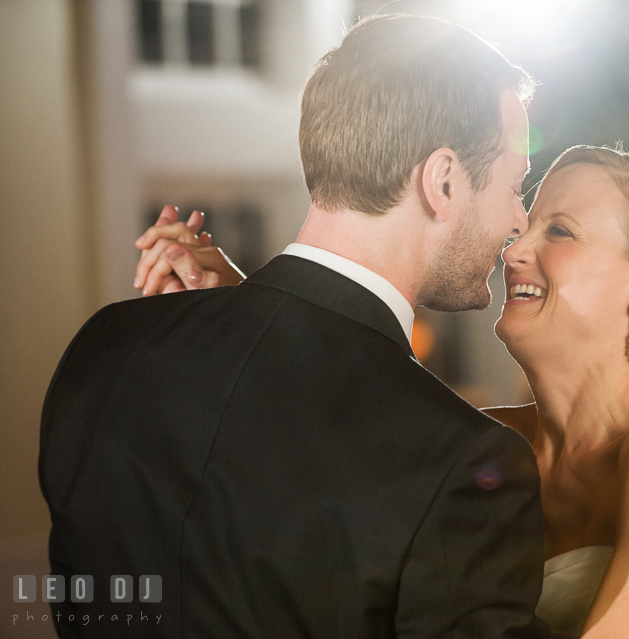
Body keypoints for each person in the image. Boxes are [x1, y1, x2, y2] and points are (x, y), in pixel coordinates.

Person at [40, 14, 551, 638]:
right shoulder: (458, 462)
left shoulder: (105, 350)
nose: (518, 222)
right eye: (514, 187)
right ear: (442, 181)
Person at [142, 145, 629, 638]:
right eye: (528, 224)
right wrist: (240, 306)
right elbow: (329, 433)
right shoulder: (485, 443)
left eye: (560, 232)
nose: (514, 251)